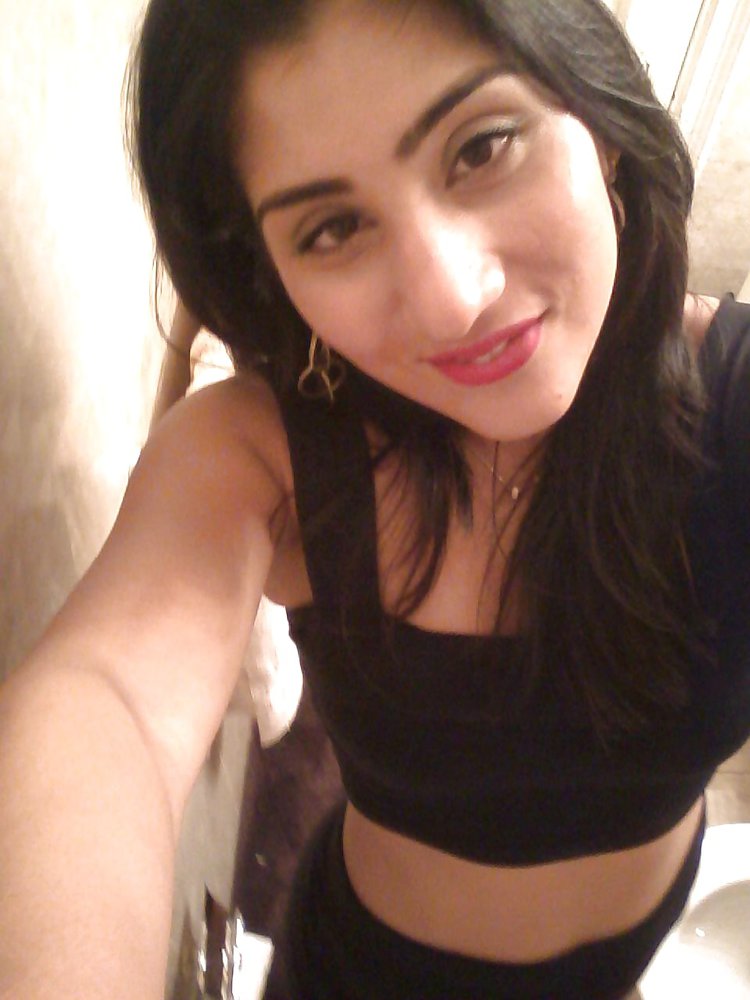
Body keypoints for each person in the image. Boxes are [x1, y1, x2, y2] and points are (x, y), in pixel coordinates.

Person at [1, 0, 748, 997]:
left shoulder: (731, 394)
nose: (451, 298)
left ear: (600, 118)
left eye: (482, 146)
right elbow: (111, 704)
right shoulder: (265, 451)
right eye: (334, 227)